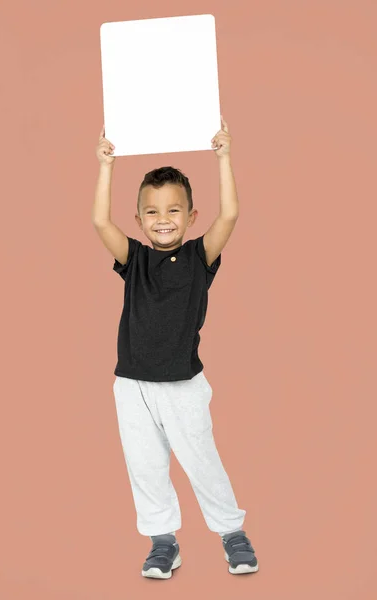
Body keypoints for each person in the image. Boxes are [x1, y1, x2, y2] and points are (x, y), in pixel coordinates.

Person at [92, 117, 259, 578]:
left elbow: (230, 215)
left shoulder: (198, 257)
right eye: (151, 212)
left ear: (190, 216)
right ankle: (162, 541)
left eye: (173, 211)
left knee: (201, 459)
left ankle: (232, 532)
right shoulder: (134, 260)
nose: (162, 220)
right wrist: (106, 165)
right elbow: (98, 220)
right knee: (144, 465)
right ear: (140, 218)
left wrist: (223, 157)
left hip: (182, 386)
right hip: (132, 386)